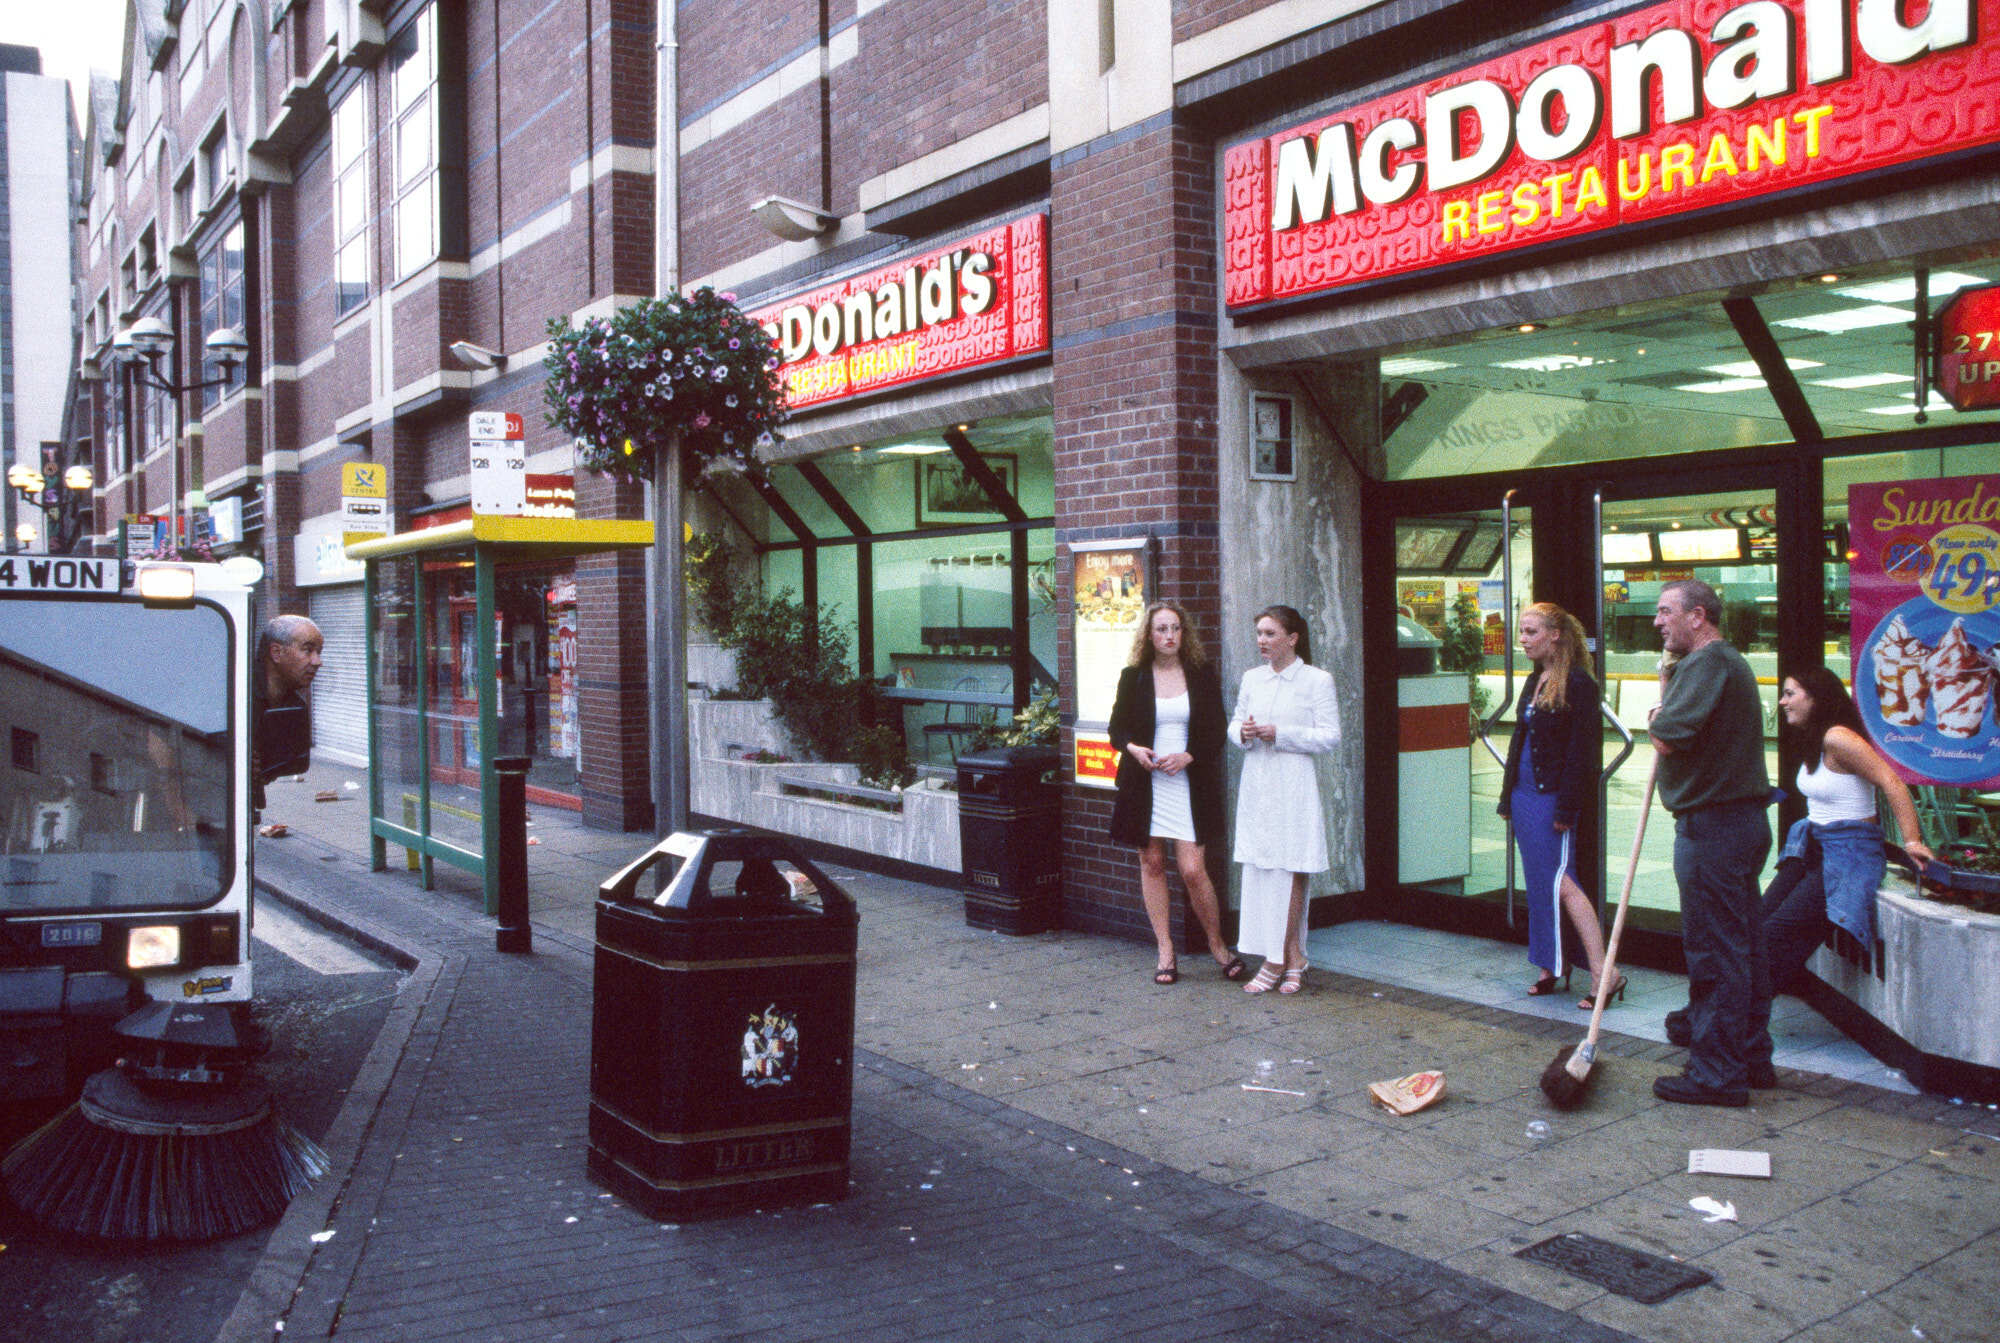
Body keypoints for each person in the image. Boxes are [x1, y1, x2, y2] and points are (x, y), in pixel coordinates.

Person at [1674, 668, 1933, 1073]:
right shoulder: (1815, 740)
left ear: (1815, 697)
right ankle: (1710, 1018)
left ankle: (1726, 1028)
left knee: (1772, 942)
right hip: (1812, 847)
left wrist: (1913, 841)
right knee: (1752, 928)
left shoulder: (1838, 738)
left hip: (1845, 855)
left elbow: (1892, 782)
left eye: (1791, 693)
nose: (1783, 701)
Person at [1647, 579, 1772, 1107]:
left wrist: (1656, 714)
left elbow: (1668, 735)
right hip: (1738, 823)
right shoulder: (1722, 663)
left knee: (1717, 952)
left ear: (1698, 616)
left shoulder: (1706, 663)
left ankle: (1717, 1074)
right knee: (1743, 945)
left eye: (1665, 612)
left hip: (1713, 829)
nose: (1658, 622)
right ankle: (1749, 1055)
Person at [1107, 602, 1243, 985]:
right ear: (1148, 636)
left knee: (1192, 869)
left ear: (1184, 633)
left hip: (1187, 780)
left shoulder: (1200, 674)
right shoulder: (1133, 676)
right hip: (1145, 784)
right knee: (1151, 863)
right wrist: (1135, 750)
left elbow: (1217, 730)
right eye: (1161, 629)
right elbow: (1117, 731)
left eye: (1175, 628)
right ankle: (1165, 949)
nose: (1169, 636)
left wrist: (1188, 755)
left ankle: (1218, 946)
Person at [1496, 602, 1614, 1007]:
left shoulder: (1579, 683)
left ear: (1555, 635)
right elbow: (1519, 742)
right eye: (1522, 632)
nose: (1523, 640)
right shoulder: (1535, 680)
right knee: (1539, 883)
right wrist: (1506, 795)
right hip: (1525, 794)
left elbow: (1584, 752)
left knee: (1563, 883)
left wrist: (1567, 807)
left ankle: (1604, 973)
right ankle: (1550, 964)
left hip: (1550, 799)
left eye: (1531, 632)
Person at [1230, 605, 1340, 994]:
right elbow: (1235, 723)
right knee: (1262, 868)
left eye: (1270, 634)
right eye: (1259, 633)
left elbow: (1329, 736)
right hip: (1259, 780)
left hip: (1293, 782)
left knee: (1292, 865)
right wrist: (1243, 732)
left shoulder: (1316, 680)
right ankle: (1294, 957)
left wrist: (1281, 733)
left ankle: (1276, 959)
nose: (1262, 641)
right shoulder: (1252, 678)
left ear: (1292, 638)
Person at [253, 614, 324, 816]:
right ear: (276, 652)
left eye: (319, 652)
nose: (317, 662)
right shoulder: (236, 697)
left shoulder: (293, 707)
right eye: (308, 650)